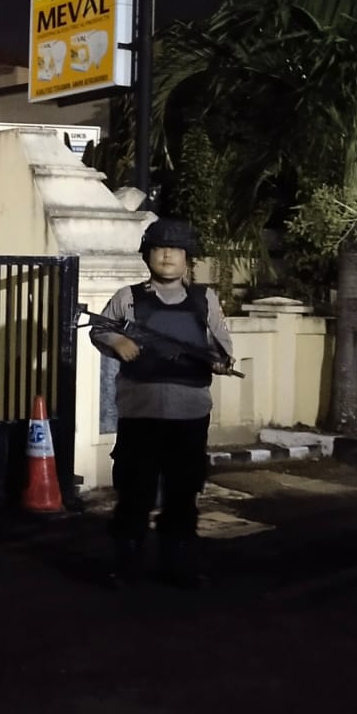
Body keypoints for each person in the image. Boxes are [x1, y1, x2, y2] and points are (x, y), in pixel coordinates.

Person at [91, 217, 236, 590]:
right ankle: (126, 565)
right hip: (140, 415)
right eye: (159, 248)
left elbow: (222, 348)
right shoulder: (127, 297)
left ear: (187, 257)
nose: (167, 255)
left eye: (175, 249)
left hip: (189, 416)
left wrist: (220, 361)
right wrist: (117, 341)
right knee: (134, 492)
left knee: (183, 494)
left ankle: (178, 564)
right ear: (147, 255)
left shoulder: (205, 299)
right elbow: (100, 329)